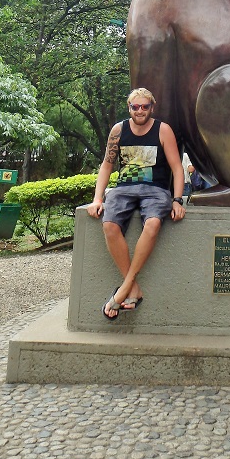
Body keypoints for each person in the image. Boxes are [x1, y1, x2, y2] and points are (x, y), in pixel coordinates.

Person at [87, 88, 185, 320]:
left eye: (145, 106)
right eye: (135, 107)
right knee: (109, 225)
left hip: (156, 190)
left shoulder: (163, 130)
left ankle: (124, 288)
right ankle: (132, 288)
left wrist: (177, 200)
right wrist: (97, 198)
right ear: (128, 107)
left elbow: (176, 168)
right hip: (123, 189)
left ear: (152, 107)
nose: (140, 111)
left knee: (152, 224)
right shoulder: (118, 130)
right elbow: (107, 166)